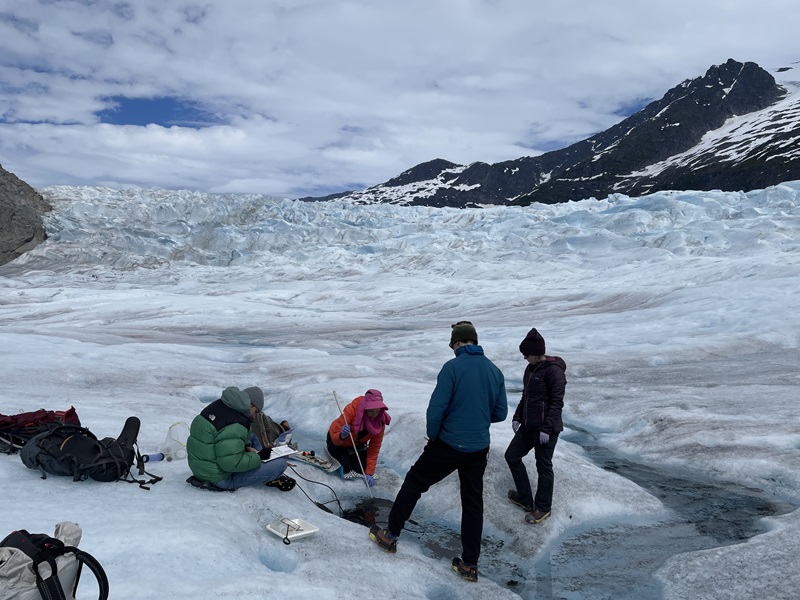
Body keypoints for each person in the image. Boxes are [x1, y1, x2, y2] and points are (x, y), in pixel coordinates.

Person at [369, 321, 507, 583]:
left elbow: (435, 410)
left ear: (457, 342)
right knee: (473, 503)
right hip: (478, 447)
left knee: (415, 481)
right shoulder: (495, 371)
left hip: (448, 443)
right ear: (474, 341)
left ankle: (390, 536)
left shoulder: (452, 367)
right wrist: (475, 416)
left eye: (452, 344)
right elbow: (499, 413)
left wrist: (434, 436)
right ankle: (469, 565)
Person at [504, 327, 567, 524]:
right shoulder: (530, 369)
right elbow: (526, 396)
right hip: (528, 425)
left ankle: (543, 508)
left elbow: (557, 402)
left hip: (546, 429)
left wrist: (547, 429)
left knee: (543, 466)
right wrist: (517, 417)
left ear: (536, 353)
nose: (524, 358)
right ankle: (524, 498)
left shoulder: (554, 372)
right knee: (512, 456)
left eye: (526, 354)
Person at [187, 386, 296, 491]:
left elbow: (221, 441)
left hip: (201, 469)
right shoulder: (235, 424)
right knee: (281, 464)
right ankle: (266, 469)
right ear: (250, 405)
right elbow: (230, 464)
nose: (254, 416)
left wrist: (246, 447)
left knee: (251, 436)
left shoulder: (219, 406)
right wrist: (258, 457)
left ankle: (263, 464)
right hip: (218, 478)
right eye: (256, 411)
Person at [326, 389, 390, 486]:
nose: (374, 414)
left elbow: (374, 448)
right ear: (365, 408)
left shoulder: (379, 422)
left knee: (360, 469)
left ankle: (351, 457)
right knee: (346, 467)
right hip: (338, 441)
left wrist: (369, 473)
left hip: (357, 444)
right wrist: (342, 436)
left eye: (377, 411)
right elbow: (335, 439)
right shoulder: (351, 410)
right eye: (371, 411)